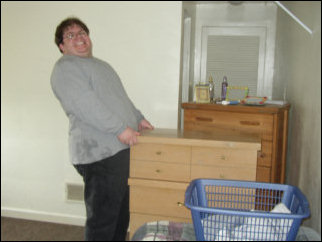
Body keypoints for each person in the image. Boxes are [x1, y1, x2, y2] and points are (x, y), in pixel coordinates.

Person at [50, 17, 153, 241]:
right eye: (71, 35)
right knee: (103, 220)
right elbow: (87, 105)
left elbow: (120, 99)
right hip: (99, 153)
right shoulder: (65, 68)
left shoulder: (102, 66)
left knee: (120, 214)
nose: (79, 37)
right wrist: (120, 129)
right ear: (62, 46)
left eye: (82, 32)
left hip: (118, 148)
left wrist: (138, 118)